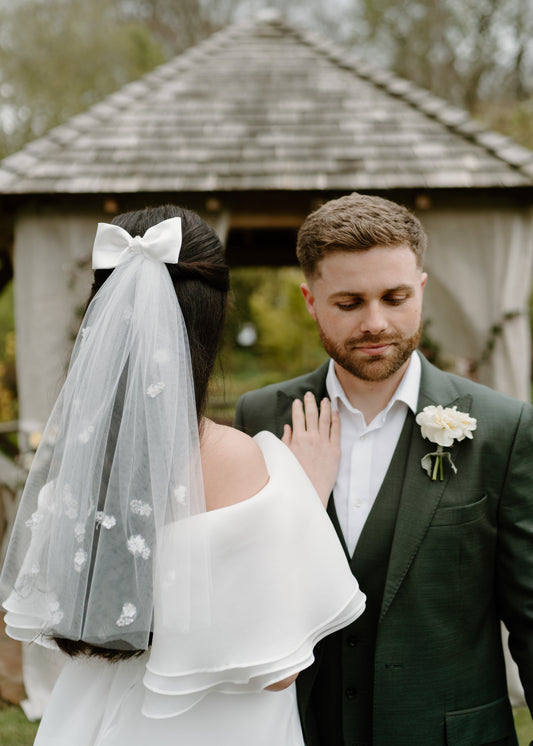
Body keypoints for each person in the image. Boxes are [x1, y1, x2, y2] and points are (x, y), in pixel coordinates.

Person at [0, 205, 366, 746]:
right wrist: (303, 500)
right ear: (212, 321)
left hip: (92, 719)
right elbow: (278, 669)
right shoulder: (241, 460)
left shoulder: (79, 467)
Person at [234, 192, 533, 746]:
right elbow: (246, 590)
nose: (376, 323)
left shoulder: (502, 427)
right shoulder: (262, 417)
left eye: (394, 298)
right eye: (349, 303)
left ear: (420, 289)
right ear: (310, 300)